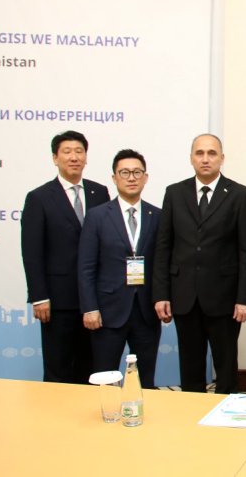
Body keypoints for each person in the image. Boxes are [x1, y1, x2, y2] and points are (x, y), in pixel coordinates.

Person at [152, 134, 246, 394]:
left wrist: (245, 299)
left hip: (225, 298)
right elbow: (164, 247)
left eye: (212, 153)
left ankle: (227, 412)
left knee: (226, 366)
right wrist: (161, 294)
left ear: (222, 158)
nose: (205, 159)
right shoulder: (174, 193)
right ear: (191, 158)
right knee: (190, 366)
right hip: (184, 295)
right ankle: (193, 413)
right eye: (199, 153)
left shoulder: (239, 195)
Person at [21, 130, 110, 383]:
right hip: (58, 300)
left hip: (94, 299)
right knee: (58, 366)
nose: (74, 157)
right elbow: (32, 252)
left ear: (86, 157)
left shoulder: (99, 192)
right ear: (55, 158)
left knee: (91, 366)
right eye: (67, 152)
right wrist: (39, 297)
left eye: (79, 151)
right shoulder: (39, 197)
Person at [78, 149, 161, 388]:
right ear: (114, 178)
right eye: (124, 172)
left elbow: (163, 264)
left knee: (145, 380)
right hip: (107, 312)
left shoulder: (157, 215)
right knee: (104, 378)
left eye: (137, 172)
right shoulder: (97, 216)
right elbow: (86, 266)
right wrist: (90, 308)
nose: (131, 178)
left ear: (145, 177)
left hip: (146, 311)